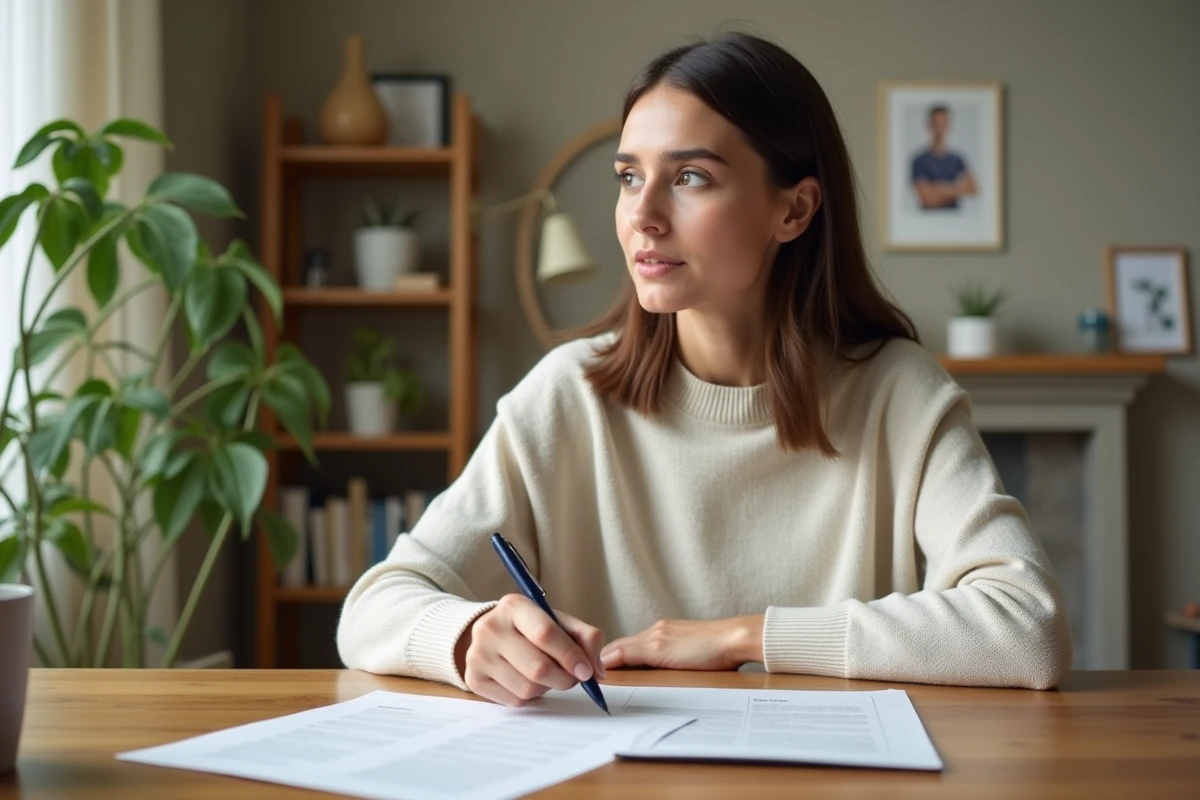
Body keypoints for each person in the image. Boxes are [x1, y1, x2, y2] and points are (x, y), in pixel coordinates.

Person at [337, 31, 1072, 705]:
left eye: (689, 177)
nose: (643, 215)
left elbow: (1028, 628)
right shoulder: (567, 395)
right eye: (629, 177)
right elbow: (376, 604)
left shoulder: (899, 395)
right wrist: (467, 639)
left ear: (795, 210)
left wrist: (740, 638)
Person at [910, 104, 978, 210]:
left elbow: (972, 189)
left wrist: (935, 188)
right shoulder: (919, 161)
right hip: (927, 221)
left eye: (943, 124)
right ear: (929, 126)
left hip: (955, 221)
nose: (940, 129)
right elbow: (928, 199)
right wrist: (957, 190)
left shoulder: (957, 160)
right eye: (936, 124)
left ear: (949, 126)